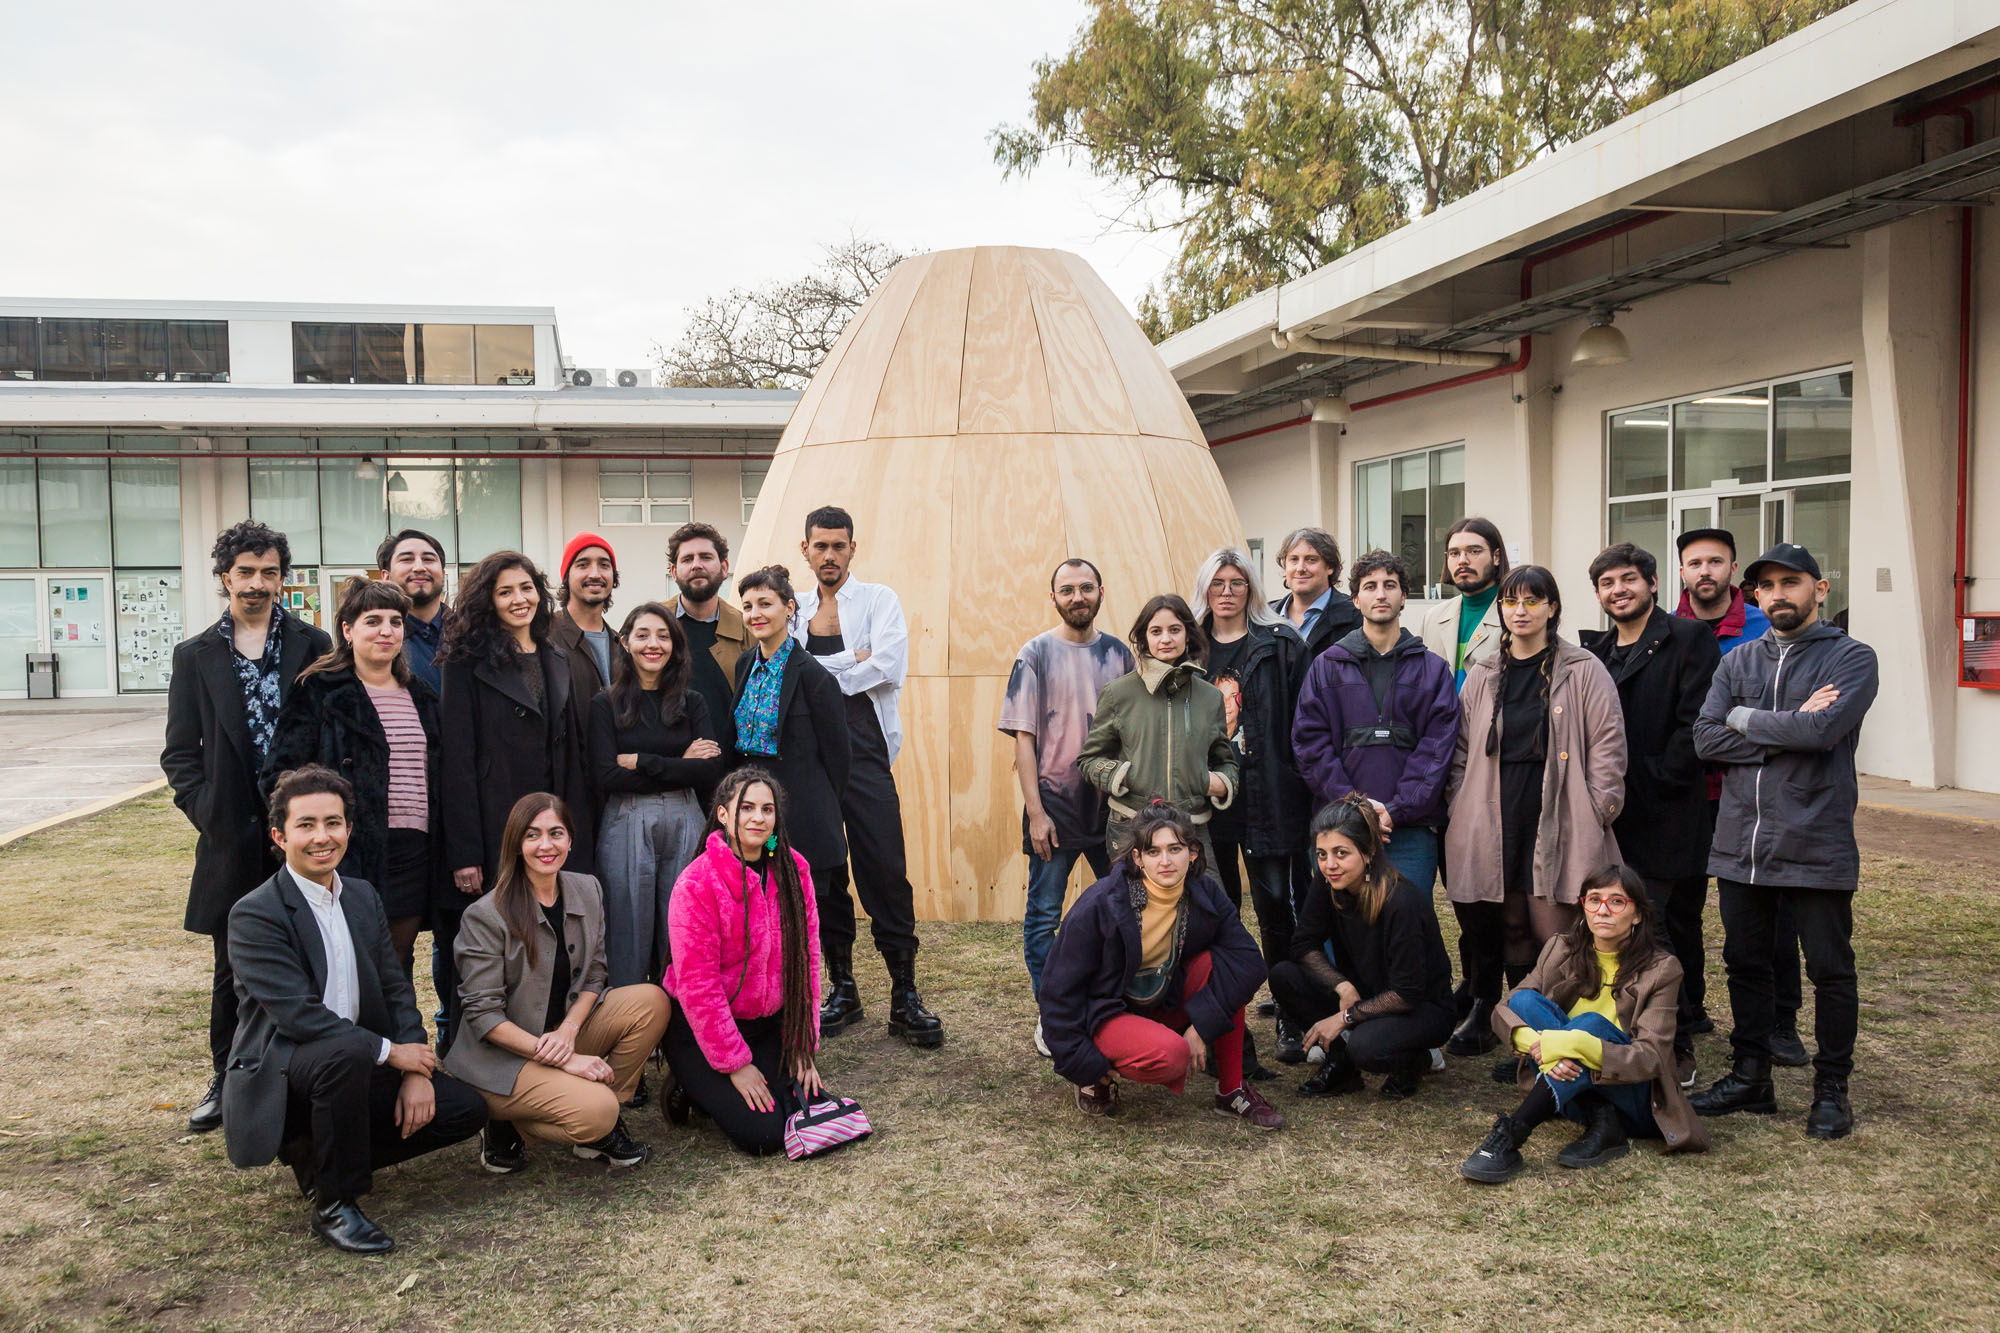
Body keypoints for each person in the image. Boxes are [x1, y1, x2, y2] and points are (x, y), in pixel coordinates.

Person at [221, 765, 485, 1254]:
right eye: (306, 825)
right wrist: (391, 1053)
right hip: (288, 1070)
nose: (322, 837)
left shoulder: (361, 896)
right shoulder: (255, 912)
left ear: (349, 828)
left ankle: (320, 1158)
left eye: (333, 823)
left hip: (359, 1062)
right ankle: (335, 1202)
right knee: (342, 1049)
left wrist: (414, 1066)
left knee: (464, 1110)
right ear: (279, 836)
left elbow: (395, 986)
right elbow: (299, 1017)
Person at [1690, 543, 1878, 1140]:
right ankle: (1751, 1077)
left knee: (1829, 969)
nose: (1777, 594)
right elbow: (1703, 738)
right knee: (1746, 962)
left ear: (1819, 590)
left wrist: (1743, 718)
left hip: (1816, 841)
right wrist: (1787, 726)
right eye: (1766, 586)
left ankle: (1831, 1088)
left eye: (1790, 582)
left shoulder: (1852, 658)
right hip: (1741, 842)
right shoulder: (1737, 661)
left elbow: (1824, 731)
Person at [162, 519, 331, 1135]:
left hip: (306, 831)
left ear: (283, 579)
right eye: (245, 573)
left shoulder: (314, 646)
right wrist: (208, 811)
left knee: (315, 957)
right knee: (233, 969)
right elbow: (180, 753)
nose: (257, 584)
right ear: (224, 578)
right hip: (233, 834)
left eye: (269, 573)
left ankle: (306, 1078)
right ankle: (227, 1079)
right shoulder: (196, 656)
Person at [1446, 565, 1625, 1076]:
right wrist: (1458, 800)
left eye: (1532, 601)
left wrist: (1598, 808)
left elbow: (1609, 746)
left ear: (1552, 607)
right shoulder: (1484, 671)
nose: (1520, 612)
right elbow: (1461, 746)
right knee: (1504, 919)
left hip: (1559, 811)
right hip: (1493, 809)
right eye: (1511, 602)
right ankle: (1505, 1022)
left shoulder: (1583, 667)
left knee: (1554, 927)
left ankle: (1552, 1030)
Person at [445, 792, 667, 1174]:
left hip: (556, 1032)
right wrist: (567, 1059)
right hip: (502, 1058)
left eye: (556, 833)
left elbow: (595, 975)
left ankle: (593, 1127)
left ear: (570, 840)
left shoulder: (587, 889)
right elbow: (484, 1016)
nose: (545, 845)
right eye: (532, 835)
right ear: (516, 843)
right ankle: (505, 1123)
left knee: (651, 1000)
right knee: (597, 1109)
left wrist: (568, 1032)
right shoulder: (484, 915)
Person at [793, 507, 944, 1047]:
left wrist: (819, 672)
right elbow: (786, 667)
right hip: (809, 757)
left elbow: (886, 665)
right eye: (820, 546)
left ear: (852, 548)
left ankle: (905, 993)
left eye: (838, 545)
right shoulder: (795, 609)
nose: (829, 555)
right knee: (825, 871)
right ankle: (843, 987)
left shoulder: (879, 600)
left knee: (884, 864)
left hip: (864, 748)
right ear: (805, 549)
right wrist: (846, 665)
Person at [1038, 803, 1283, 1128]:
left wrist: (1202, 1026)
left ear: (1192, 853)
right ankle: (1098, 1079)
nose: (1165, 861)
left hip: (1163, 997)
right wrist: (1083, 1063)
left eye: (1175, 849)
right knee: (1172, 1057)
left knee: (1222, 965)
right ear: (1137, 858)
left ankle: (1232, 1090)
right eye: (1153, 851)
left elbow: (1249, 963)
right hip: (1108, 1012)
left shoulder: (1204, 893)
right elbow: (1057, 991)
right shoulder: (1101, 904)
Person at [436, 551, 595, 1049]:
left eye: (525, 587)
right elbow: (456, 760)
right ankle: (483, 1058)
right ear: (488, 599)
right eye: (505, 591)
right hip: (495, 821)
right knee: (499, 944)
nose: (518, 599)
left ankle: (549, 1041)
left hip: (551, 822)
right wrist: (463, 852)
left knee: (548, 940)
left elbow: (569, 749)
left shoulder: (556, 654)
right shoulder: (465, 662)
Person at [1459, 867, 1708, 1183]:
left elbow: (1651, 1058)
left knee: (1591, 1023)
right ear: (1583, 907)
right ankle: (1602, 1118)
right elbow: (1505, 1010)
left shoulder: (1661, 969)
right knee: (1523, 1002)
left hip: (1632, 1091)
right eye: (1594, 900)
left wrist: (1570, 1044)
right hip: (1566, 1069)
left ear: (1637, 915)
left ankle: (1511, 1134)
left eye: (1617, 902)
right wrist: (1536, 1045)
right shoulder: (1561, 947)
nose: (1603, 910)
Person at [1581, 542, 1721, 1087]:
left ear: (1654, 583)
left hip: (1668, 813)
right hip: (1612, 821)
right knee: (1630, 928)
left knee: (1665, 930)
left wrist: (1640, 780)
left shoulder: (1688, 639)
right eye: (1607, 584)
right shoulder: (1598, 653)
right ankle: (1643, 1028)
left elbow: (1699, 726)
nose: (1619, 590)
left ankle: (1677, 1042)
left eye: (1628, 580)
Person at [262, 578, 442, 980]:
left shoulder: (423, 696)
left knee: (397, 961)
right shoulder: (320, 690)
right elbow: (279, 774)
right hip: (348, 849)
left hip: (414, 849)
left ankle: (398, 1041)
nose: (386, 631)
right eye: (373, 621)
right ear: (347, 630)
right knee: (344, 960)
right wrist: (317, 827)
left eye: (395, 622)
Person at [997, 558, 1135, 1051]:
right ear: (1052, 596)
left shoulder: (1121, 655)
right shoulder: (1034, 654)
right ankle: (1052, 1015)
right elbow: (1023, 739)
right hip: (1053, 807)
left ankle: (1117, 1007)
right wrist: (1035, 812)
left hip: (1113, 811)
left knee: (1128, 910)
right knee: (1043, 917)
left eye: (1086, 588)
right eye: (1067, 589)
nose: (1078, 596)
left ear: (1101, 591)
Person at [1675, 527, 1799, 1063]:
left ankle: (1780, 1023)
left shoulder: (1761, 627)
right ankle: (1688, 1008)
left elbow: (1793, 722)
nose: (1705, 571)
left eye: (1715, 562)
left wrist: (1753, 737)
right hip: (1681, 794)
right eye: (1694, 562)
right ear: (1679, 572)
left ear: (1733, 568)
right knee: (1679, 911)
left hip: (1748, 794)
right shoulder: (1665, 631)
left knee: (1764, 914)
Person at [661, 767, 825, 1155]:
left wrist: (801, 1044)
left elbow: (808, 960)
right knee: (765, 1135)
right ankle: (689, 1082)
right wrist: (734, 1063)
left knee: (806, 1109)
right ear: (722, 814)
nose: (758, 818)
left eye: (767, 809)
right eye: (747, 807)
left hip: (765, 1023)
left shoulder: (793, 868)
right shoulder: (697, 883)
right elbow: (698, 987)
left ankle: (730, 1082)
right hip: (704, 1027)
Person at [1188, 547, 1310, 1064]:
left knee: (1275, 908)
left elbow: (1306, 719)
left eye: (1237, 582)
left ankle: (1289, 1011)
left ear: (1251, 589)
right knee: (1218, 910)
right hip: (1208, 801)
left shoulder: (1280, 643)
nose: (1228, 591)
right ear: (1205, 590)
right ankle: (1224, 1019)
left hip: (1269, 797)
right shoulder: (1188, 647)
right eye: (1218, 582)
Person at [1292, 550, 1459, 896]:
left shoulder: (1432, 670)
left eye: (1390, 585)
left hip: (1409, 830)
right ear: (1355, 599)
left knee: (1408, 929)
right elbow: (1310, 745)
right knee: (1341, 933)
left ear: (1403, 597)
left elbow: (1436, 750)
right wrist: (1355, 808)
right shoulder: (1326, 666)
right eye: (1370, 586)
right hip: (1340, 829)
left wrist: (1396, 810)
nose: (1380, 594)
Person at [732, 563, 852, 1027]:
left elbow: (838, 759)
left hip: (804, 817)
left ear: (789, 607)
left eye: (765, 603)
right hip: (755, 817)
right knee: (762, 917)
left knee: (801, 922)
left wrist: (819, 809)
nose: (756, 613)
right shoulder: (745, 665)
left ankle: (803, 1016)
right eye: (748, 606)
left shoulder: (814, 677)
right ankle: (767, 1008)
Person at [1270, 797, 1454, 1100]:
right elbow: (1303, 944)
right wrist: (1342, 987)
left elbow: (1407, 993)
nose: (1330, 865)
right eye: (1321, 854)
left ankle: (1413, 1060)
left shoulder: (1401, 901)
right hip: (1365, 990)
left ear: (1368, 853)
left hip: (1421, 1007)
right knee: (1283, 975)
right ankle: (1341, 1065)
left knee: (1367, 1048)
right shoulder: (1328, 882)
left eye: (1341, 853)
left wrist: (1345, 1018)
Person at [589, 602, 726, 986]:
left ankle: (682, 1031)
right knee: (627, 929)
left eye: (664, 636)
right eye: (644, 634)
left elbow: (710, 769)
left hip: (686, 818)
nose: (654, 644)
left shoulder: (691, 702)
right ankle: (633, 1030)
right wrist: (680, 762)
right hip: (627, 819)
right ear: (626, 642)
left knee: (682, 928)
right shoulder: (605, 703)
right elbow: (606, 775)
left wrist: (643, 761)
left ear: (675, 646)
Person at [1078, 594, 1238, 869]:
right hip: (1131, 826)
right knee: (1134, 908)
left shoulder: (1210, 697)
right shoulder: (1118, 693)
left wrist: (1216, 782)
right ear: (1144, 639)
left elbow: (1224, 759)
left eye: (1174, 630)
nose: (1166, 638)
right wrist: (1124, 775)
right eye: (1156, 631)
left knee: (1205, 908)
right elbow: (1088, 760)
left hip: (1192, 826)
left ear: (1188, 635)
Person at [665, 521, 748, 777]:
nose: (696, 565)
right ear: (674, 570)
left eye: (706, 557)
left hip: (733, 775)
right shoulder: (652, 625)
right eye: (687, 559)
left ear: (724, 568)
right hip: (668, 773)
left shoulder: (749, 630)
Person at [1417, 516, 1508, 689]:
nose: (1462, 560)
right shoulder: (1432, 618)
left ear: (1496, 557)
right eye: (1454, 553)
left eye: (1474, 551)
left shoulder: (1515, 615)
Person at [549, 532, 625, 710]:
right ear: (567, 576)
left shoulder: (621, 644)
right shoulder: (543, 635)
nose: (595, 574)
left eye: (604, 565)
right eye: (583, 565)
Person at [376, 529, 452, 693]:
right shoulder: (374, 640)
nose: (419, 567)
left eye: (428, 559)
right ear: (385, 576)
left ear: (443, 574)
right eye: (407, 559)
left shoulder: (473, 634)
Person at [1270, 527, 1361, 661]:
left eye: (1311, 560)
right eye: (1294, 559)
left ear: (1330, 567)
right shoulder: (1265, 618)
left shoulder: (1356, 616)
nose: (1300, 568)